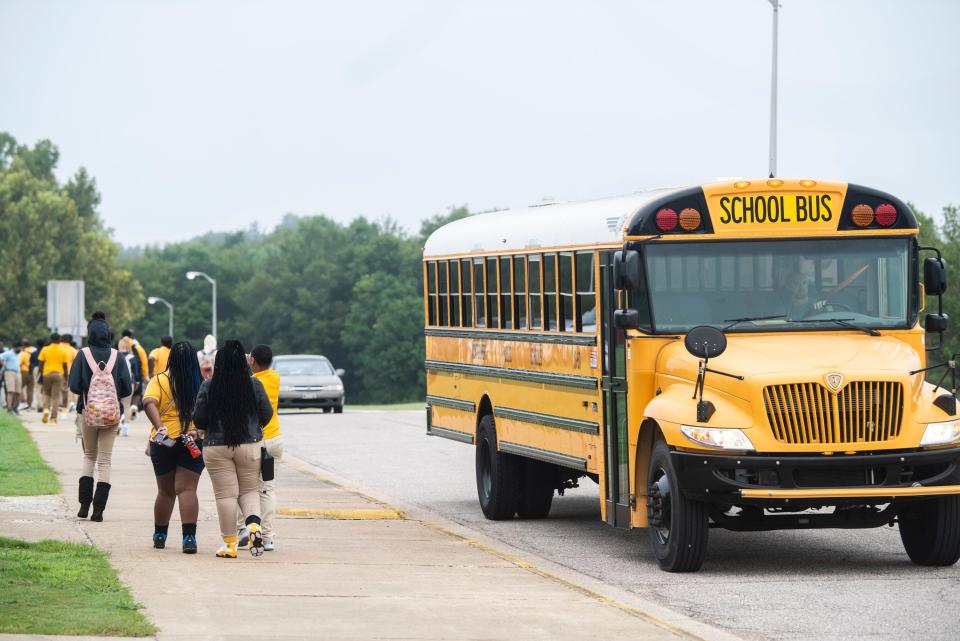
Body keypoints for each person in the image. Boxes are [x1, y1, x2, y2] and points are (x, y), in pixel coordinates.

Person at [193, 339, 273, 558]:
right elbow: (267, 414)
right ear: (243, 362)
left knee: (225, 496)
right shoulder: (254, 384)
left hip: (216, 447)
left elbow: (199, 419)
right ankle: (254, 527)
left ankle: (229, 545)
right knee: (249, 491)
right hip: (249, 445)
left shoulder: (209, 385)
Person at [69, 316, 132, 521]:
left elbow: (74, 386)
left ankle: (84, 505)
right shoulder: (117, 356)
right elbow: (127, 389)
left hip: (87, 412)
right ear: (108, 334)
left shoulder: (82, 354)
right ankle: (99, 510)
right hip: (112, 415)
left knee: (89, 456)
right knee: (105, 460)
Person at [143, 341, 204, 554]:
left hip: (164, 441)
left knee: (166, 491)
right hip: (192, 439)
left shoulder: (159, 380)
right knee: (187, 489)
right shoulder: (201, 383)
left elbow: (149, 402)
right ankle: (189, 539)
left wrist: (160, 427)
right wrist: (198, 431)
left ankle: (160, 535)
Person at [237, 344, 282, 551]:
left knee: (245, 488)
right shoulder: (275, 378)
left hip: (257, 441)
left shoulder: (251, 383)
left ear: (252, 360)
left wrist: (244, 365)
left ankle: (244, 529)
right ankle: (267, 536)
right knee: (268, 489)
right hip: (275, 440)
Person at [38, 333, 69, 424]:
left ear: (51, 340)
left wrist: (40, 375)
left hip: (47, 374)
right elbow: (65, 366)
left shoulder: (45, 349)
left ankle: (46, 410)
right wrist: (66, 378)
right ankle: (53, 418)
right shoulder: (62, 351)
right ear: (59, 340)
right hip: (58, 375)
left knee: (47, 394)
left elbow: (41, 364)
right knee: (55, 397)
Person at [117, 337, 141, 436]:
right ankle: (126, 427)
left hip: (116, 383)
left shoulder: (114, 355)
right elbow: (136, 374)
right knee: (127, 406)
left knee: (116, 405)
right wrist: (137, 384)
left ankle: (118, 424)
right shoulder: (132, 357)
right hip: (129, 383)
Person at [122, 329, 149, 410]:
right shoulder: (137, 347)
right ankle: (134, 406)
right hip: (135, 372)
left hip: (122, 372)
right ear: (132, 336)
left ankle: (125, 408)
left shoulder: (119, 345)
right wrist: (145, 375)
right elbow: (144, 361)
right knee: (137, 392)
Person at [60, 334, 79, 413]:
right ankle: (71, 403)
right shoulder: (73, 350)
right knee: (68, 389)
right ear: (69, 341)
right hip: (69, 372)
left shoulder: (58, 348)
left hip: (58, 371)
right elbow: (77, 362)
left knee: (58, 389)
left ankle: (59, 404)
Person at [1, 343, 21, 414]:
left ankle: (15, 407)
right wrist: (4, 365)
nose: (20, 349)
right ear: (14, 348)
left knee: (18, 392)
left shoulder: (19, 354)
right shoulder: (8, 353)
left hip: (18, 372)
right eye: (18, 348)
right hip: (9, 372)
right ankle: (9, 408)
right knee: (10, 391)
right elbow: (0, 357)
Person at [19, 339, 35, 411]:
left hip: (24, 372)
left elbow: (19, 363)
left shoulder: (23, 353)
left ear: (24, 345)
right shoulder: (34, 351)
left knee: (19, 387)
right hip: (32, 372)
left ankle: (23, 402)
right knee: (30, 389)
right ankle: (29, 405)